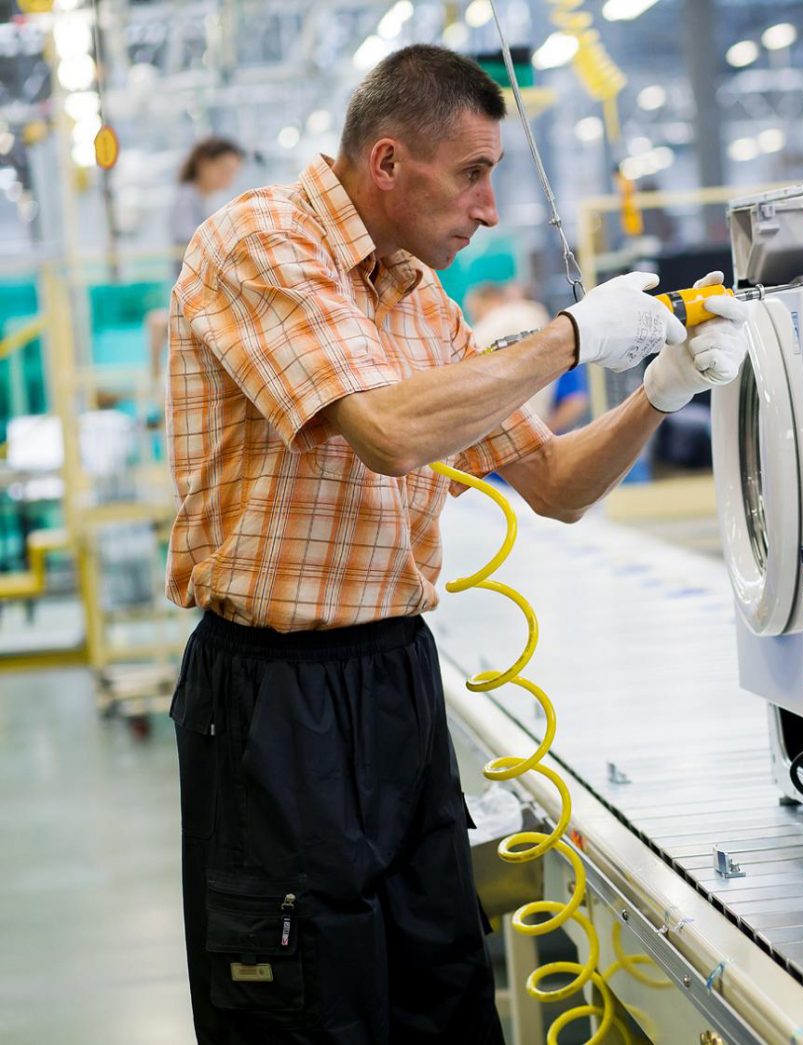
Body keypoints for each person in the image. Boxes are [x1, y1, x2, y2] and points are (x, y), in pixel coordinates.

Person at [163, 44, 750, 1044]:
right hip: (273, 700)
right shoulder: (261, 241)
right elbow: (387, 430)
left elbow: (556, 484)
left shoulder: (421, 302)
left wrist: (661, 390)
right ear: (389, 162)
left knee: (435, 981)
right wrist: (567, 337)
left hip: (393, 679)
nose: (486, 208)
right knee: (308, 999)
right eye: (473, 173)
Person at [465, 281, 589, 432]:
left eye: (477, 313)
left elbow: (576, 401)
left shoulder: (508, 321)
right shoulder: (538, 326)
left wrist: (543, 435)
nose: (476, 319)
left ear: (493, 301)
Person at [170, 137, 244, 253]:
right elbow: (185, 237)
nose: (227, 177)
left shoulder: (207, 199)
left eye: (232, 172)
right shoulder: (187, 197)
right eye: (223, 169)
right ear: (203, 163)